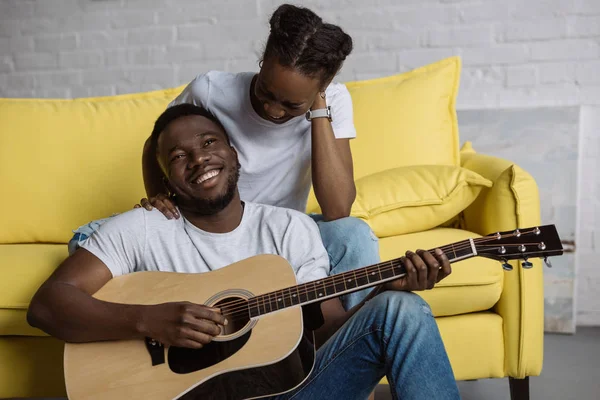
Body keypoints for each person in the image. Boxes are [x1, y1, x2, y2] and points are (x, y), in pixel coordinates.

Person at [31, 104, 460, 400]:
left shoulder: (287, 228)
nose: (199, 159)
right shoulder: (140, 229)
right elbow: (49, 306)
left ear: (234, 154)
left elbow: (327, 329)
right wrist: (150, 319)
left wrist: (380, 291)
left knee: (400, 309)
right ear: (163, 178)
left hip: (286, 391)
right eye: (178, 156)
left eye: (209, 143)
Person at [68, 4, 378, 310]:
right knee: (87, 239)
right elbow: (156, 144)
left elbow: (337, 209)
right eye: (266, 92)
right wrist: (162, 197)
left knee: (353, 235)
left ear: (321, 88)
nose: (273, 109)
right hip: (207, 228)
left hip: (275, 237)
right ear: (262, 62)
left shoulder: (333, 101)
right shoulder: (211, 90)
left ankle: (349, 343)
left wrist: (319, 110)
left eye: (291, 105)